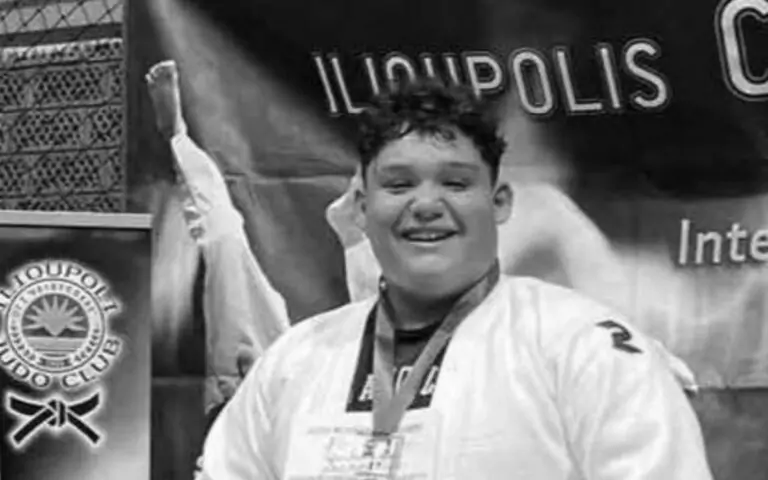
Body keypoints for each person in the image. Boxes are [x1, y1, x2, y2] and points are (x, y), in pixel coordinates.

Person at [198, 79, 713, 479]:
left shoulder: (585, 350)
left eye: (455, 183)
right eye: (398, 184)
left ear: (500, 202)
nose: (426, 204)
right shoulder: (294, 363)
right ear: (361, 206)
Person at [145, 61, 290, 419]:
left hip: (278, 393)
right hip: (256, 384)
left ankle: (178, 140)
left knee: (225, 244)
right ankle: (177, 139)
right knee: (226, 243)